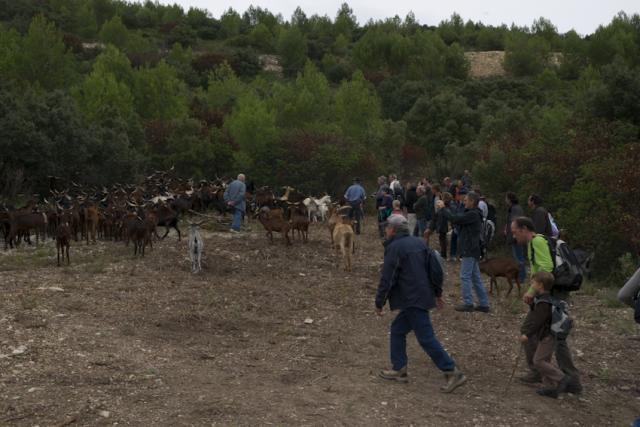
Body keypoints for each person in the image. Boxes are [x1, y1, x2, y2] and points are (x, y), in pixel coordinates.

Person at [375, 214, 467, 393]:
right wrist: (437, 293)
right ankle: (399, 369)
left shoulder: (394, 248)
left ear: (393, 230)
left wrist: (379, 302)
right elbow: (435, 270)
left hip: (411, 298)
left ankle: (451, 370)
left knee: (426, 337)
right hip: (421, 296)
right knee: (398, 330)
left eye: (387, 227)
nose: (385, 230)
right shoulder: (420, 243)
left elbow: (388, 277)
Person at [510, 216, 582, 393]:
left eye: (515, 232)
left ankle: (568, 379)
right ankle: (545, 372)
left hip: (551, 296)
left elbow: (546, 269)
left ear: (524, 229)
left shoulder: (537, 242)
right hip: (548, 295)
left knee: (552, 335)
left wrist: (532, 291)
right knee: (541, 333)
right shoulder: (534, 243)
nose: (513, 236)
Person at [519, 271, 572, 398]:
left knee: (538, 361)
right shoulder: (545, 299)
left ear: (540, 285)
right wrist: (531, 304)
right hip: (548, 335)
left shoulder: (544, 303)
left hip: (548, 336)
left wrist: (527, 334)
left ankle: (562, 378)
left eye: (533, 283)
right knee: (545, 361)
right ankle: (551, 388)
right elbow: (540, 314)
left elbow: (538, 321)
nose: (531, 285)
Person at [444, 191, 491, 313]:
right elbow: (457, 217)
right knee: (475, 277)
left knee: (465, 276)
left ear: (472, 202)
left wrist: (443, 209)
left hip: (469, 249)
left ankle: (468, 303)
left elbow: (455, 218)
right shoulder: (473, 214)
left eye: (466, 200)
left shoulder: (473, 214)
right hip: (472, 248)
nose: (464, 202)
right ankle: (484, 303)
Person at [505, 192, 527, 283]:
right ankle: (519, 277)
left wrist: (515, 235)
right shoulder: (515, 208)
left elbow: (516, 222)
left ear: (509, 199)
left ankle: (521, 278)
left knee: (518, 257)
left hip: (516, 237)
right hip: (516, 236)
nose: (505, 200)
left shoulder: (515, 209)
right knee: (517, 257)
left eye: (506, 198)